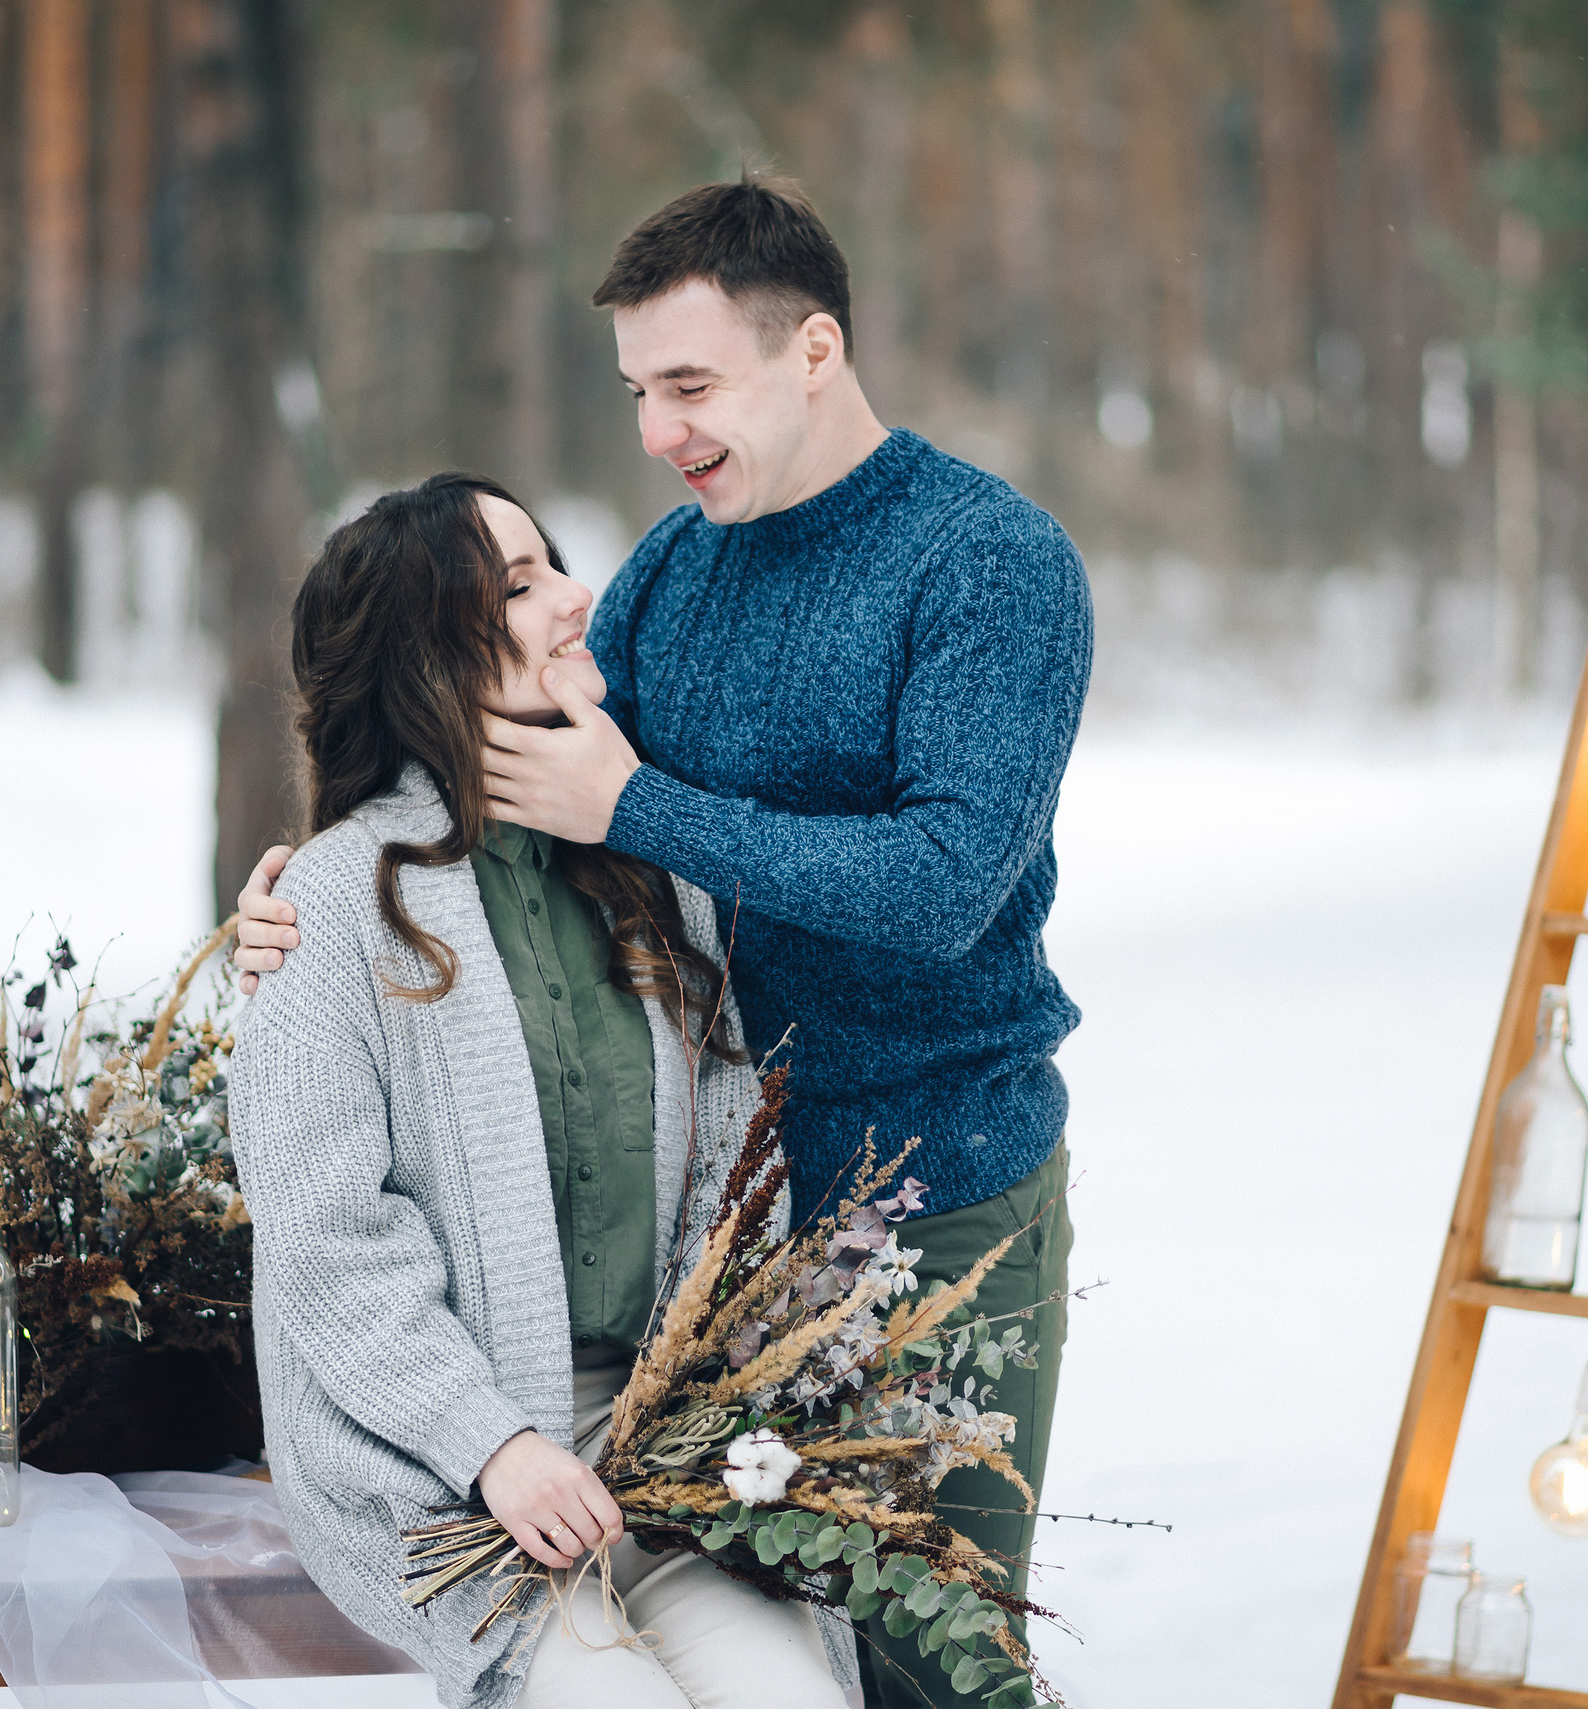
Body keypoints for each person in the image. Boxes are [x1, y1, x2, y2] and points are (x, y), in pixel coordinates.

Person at [235, 175, 1093, 1707]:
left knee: (936, 1658)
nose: (659, 433)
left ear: (813, 348)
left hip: (930, 1191)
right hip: (697, 1237)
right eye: (638, 392)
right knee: (789, 1655)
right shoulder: (674, 568)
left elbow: (945, 882)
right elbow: (495, 764)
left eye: (690, 386)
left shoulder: (989, 562)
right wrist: (298, 901)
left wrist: (646, 805)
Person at [226, 471, 856, 1709]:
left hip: (658, 1450)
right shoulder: (335, 902)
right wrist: (492, 1444)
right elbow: (325, 1236)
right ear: (423, 657)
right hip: (440, 1460)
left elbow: (737, 1160)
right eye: (519, 585)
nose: (576, 600)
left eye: (553, 563)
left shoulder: (641, 875)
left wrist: (722, 1411)